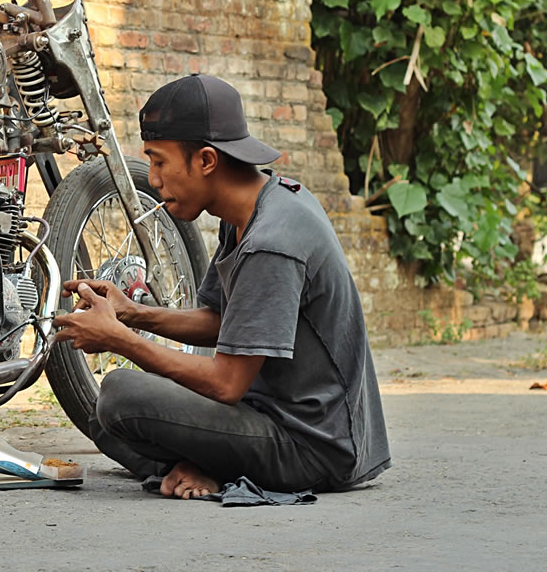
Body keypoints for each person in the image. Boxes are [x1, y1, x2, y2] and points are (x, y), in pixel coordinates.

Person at [53, 74, 390, 500]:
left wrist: (120, 340)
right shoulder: (257, 208)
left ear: (207, 160)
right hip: (266, 416)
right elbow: (221, 320)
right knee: (103, 414)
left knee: (121, 395)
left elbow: (226, 383)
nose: (153, 178)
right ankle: (198, 464)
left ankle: (208, 465)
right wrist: (131, 314)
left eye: (159, 162)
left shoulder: (271, 242)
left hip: (315, 447)